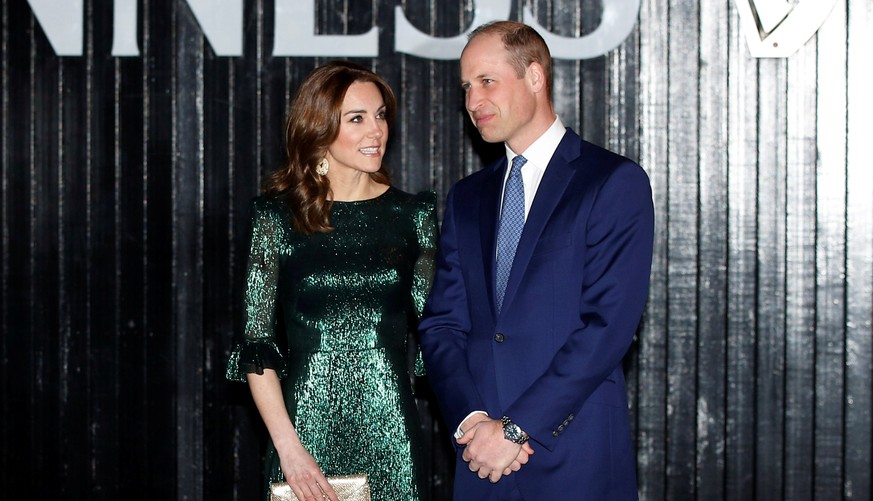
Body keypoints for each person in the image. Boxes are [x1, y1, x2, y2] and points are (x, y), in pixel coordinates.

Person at [419, 21, 654, 500]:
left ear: (534, 77)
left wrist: (517, 429)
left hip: (574, 457)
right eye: (466, 86)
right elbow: (442, 324)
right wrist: (473, 423)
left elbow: (608, 327)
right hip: (480, 462)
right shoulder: (467, 197)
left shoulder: (612, 181)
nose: (472, 102)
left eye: (486, 81)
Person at [226, 61, 438, 501]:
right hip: (303, 432)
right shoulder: (276, 219)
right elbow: (256, 343)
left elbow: (440, 331)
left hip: (392, 432)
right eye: (357, 119)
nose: (376, 130)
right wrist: (288, 448)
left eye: (380, 115)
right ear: (319, 129)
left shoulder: (412, 216)